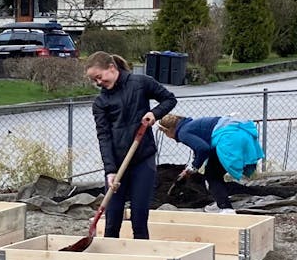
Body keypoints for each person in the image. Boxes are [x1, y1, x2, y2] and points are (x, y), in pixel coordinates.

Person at [85, 51, 177, 239]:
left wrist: (154, 113)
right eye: (95, 80)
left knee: (139, 217)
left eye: (99, 77)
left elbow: (169, 99)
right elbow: (104, 137)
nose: (98, 83)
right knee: (113, 218)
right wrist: (110, 171)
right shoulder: (101, 103)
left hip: (143, 159)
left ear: (111, 68)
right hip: (118, 165)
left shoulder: (140, 83)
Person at [158, 114, 264, 213]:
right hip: (239, 133)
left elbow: (203, 149)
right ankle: (220, 202)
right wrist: (192, 165)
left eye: (164, 132)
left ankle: (226, 209)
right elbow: (202, 147)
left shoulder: (182, 133)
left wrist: (193, 168)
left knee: (212, 176)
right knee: (215, 172)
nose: (167, 136)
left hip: (228, 139)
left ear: (169, 130)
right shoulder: (189, 125)